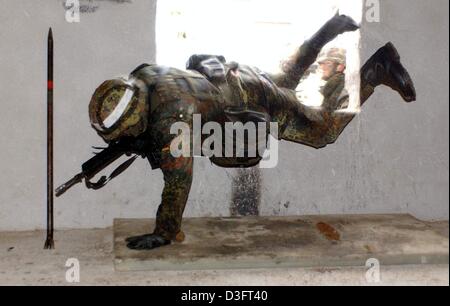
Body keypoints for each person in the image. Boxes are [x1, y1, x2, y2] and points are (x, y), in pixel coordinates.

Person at [86, 14, 416, 250]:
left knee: (323, 132)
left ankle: (375, 70)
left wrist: (164, 232)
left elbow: (178, 181)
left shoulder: (173, 120)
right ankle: (325, 32)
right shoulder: (143, 75)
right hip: (239, 77)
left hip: (256, 106)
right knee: (285, 79)